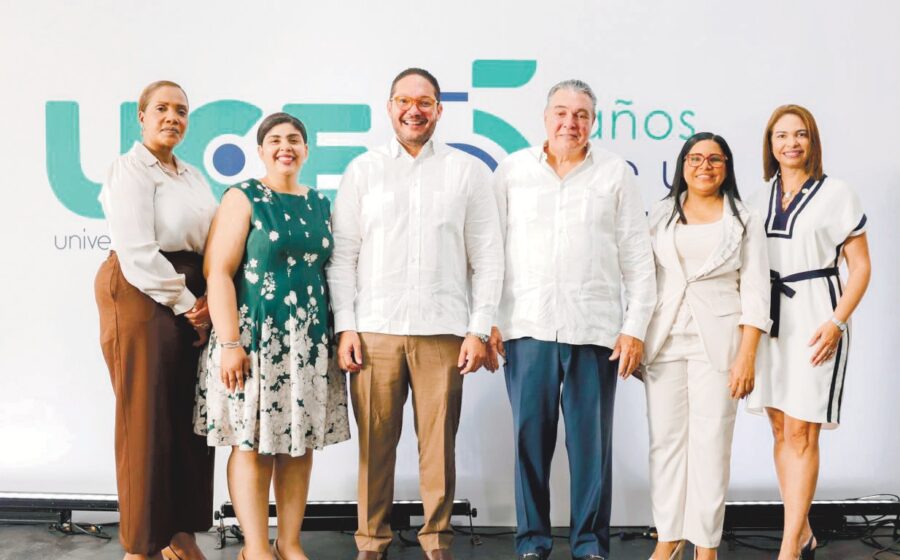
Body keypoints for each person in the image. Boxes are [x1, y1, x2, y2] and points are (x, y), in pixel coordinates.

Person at [327, 67, 504, 560]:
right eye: (404, 100)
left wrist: (477, 328)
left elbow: (488, 257)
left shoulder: (467, 172)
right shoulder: (363, 171)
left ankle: (437, 541)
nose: (414, 110)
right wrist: (346, 326)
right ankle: (371, 541)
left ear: (439, 111)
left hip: (443, 332)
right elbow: (344, 256)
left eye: (424, 102)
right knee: (374, 450)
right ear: (389, 107)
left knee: (438, 449)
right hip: (375, 330)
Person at [487, 79, 656, 560]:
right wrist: (489, 321)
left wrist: (634, 329)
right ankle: (532, 542)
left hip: (595, 331)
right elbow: (489, 252)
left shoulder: (615, 174)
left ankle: (589, 545)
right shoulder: (513, 172)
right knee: (529, 445)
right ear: (545, 118)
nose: (570, 122)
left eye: (581, 114)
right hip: (526, 329)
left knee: (591, 449)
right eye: (561, 112)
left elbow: (638, 262)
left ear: (593, 122)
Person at [193, 113, 350, 560]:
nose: (286, 146)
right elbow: (218, 272)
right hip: (253, 343)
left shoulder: (320, 202)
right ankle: (256, 548)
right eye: (275, 140)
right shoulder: (244, 197)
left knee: (297, 446)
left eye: (295, 140)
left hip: (308, 344)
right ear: (261, 151)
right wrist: (229, 343)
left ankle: (290, 542)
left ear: (306, 150)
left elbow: (329, 270)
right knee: (252, 444)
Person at [95, 80, 216, 560]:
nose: (173, 117)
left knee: (191, 420)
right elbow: (138, 254)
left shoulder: (191, 175)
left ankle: (180, 535)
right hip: (145, 294)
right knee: (146, 421)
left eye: (181, 111)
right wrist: (190, 304)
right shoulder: (129, 170)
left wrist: (210, 300)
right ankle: (141, 546)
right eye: (162, 109)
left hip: (192, 294)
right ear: (141, 117)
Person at [746, 105, 871, 560]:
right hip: (770, 318)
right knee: (780, 428)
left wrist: (836, 322)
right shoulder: (759, 197)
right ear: (770, 144)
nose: (790, 143)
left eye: (800, 135)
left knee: (803, 431)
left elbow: (860, 267)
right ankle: (800, 529)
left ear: (813, 141)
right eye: (781, 135)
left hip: (817, 316)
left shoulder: (837, 193)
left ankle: (788, 546)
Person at [640, 133, 771, 560]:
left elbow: (755, 291)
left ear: (727, 166)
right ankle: (669, 536)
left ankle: (706, 543)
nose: (704, 166)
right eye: (695, 158)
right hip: (664, 342)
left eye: (715, 159)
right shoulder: (660, 214)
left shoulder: (745, 218)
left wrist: (746, 355)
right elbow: (644, 280)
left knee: (712, 444)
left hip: (720, 344)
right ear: (682, 165)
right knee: (666, 443)